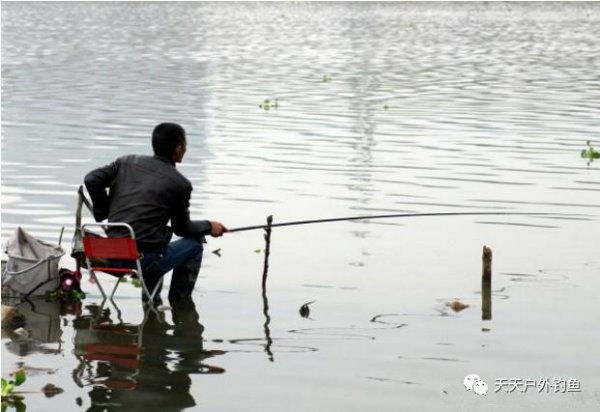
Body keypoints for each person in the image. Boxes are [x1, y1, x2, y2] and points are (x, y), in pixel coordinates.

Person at [84, 122, 227, 304]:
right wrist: (209, 226)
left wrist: (103, 211)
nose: (185, 149)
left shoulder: (125, 162)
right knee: (194, 245)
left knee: (153, 240)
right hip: (141, 260)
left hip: (109, 255)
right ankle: (179, 304)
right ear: (178, 149)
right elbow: (182, 229)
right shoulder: (179, 184)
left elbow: (91, 179)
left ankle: (153, 301)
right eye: (185, 145)